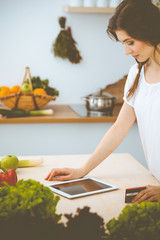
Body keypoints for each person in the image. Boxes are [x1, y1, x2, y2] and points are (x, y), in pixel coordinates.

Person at [45, 0, 160, 203]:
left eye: (131, 42)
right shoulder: (136, 74)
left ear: (151, 32)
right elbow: (119, 128)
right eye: (123, 43)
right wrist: (83, 170)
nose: (126, 51)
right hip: (155, 184)